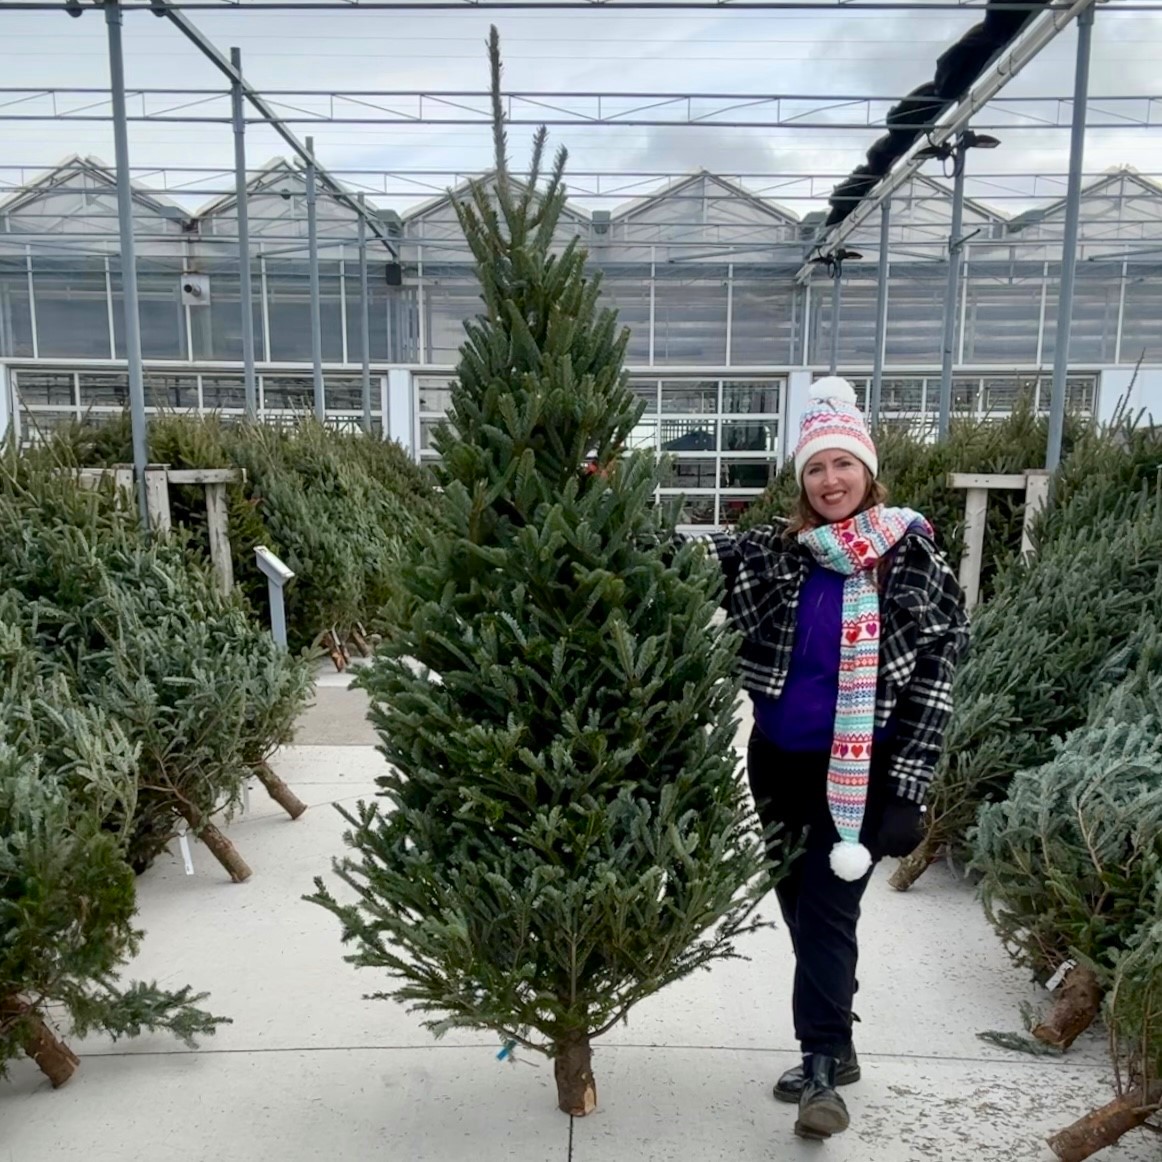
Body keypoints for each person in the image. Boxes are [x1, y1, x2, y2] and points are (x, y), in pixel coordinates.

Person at [683, 377, 969, 1141]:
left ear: (867, 472)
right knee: (800, 910)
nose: (830, 480)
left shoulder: (911, 560)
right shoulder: (777, 551)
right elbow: (684, 554)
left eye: (843, 464)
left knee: (828, 916)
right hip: (776, 760)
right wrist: (585, 515)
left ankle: (820, 1071)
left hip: (862, 772)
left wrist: (909, 790)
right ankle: (838, 1041)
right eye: (816, 467)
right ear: (802, 479)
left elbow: (936, 680)